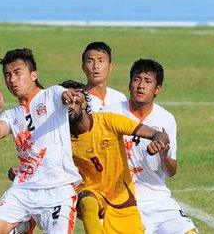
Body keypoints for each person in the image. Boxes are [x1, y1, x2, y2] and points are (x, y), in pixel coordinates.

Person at [0, 48, 83, 234]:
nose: (12, 79)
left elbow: (67, 95)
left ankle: (26, 224)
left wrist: (71, 96)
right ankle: (26, 224)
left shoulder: (51, 95)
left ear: (34, 75)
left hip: (58, 189)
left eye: (17, 72)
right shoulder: (12, 115)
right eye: (7, 75)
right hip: (23, 189)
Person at [57, 80, 170, 234]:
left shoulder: (108, 121)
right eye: (64, 102)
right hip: (90, 191)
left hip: (121, 196)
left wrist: (158, 142)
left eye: (74, 99)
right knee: (87, 203)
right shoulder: (60, 139)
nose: (69, 105)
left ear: (83, 103)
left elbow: (159, 134)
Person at [104, 59, 198, 234]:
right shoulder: (110, 114)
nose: (141, 86)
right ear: (129, 83)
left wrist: (164, 155)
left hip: (159, 201)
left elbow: (171, 171)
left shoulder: (165, 119)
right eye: (137, 79)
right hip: (122, 201)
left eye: (148, 81)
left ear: (157, 89)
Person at [81, 42, 127, 112]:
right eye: (90, 61)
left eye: (100, 61)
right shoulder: (79, 99)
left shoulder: (120, 98)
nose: (95, 66)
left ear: (110, 66)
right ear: (83, 67)